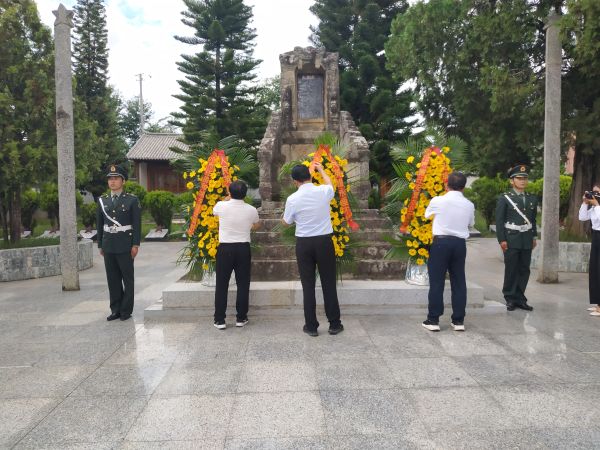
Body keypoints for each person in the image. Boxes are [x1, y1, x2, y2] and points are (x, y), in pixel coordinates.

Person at [282, 163, 344, 337]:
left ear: (295, 181)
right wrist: (321, 170)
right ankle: (334, 324)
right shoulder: (323, 191)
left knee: (308, 285)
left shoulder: (293, 199)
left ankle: (311, 326)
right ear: (310, 176)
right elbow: (330, 184)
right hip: (324, 242)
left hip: (304, 244)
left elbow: (286, 222)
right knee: (329, 283)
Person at [421, 171, 475, 332]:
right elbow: (471, 223)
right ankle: (458, 320)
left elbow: (426, 214)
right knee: (459, 281)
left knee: (437, 281)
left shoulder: (438, 200)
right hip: (459, 244)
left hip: (441, 243)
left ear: (446, 185)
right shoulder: (469, 204)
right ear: (464, 187)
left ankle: (433, 319)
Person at [212, 180, 260, 330]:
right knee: (243, 284)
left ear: (230, 192)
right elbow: (256, 224)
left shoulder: (220, 206)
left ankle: (220, 319)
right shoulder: (252, 210)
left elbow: (214, 213)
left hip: (225, 248)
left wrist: (227, 198)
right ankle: (241, 317)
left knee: (221, 284)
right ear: (246, 194)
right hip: (243, 248)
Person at [96, 164, 142, 321]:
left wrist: (135, 244)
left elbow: (137, 224)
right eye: (110, 179)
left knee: (127, 279)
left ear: (123, 181)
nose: (112, 182)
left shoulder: (131, 200)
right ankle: (115, 309)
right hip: (109, 245)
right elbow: (100, 223)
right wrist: (100, 244)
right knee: (112, 279)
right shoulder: (103, 201)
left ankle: (126, 310)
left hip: (125, 245)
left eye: (116, 178)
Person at [495, 164, 538, 312]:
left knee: (524, 269)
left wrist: (534, 236)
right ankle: (510, 297)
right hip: (511, 238)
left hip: (526, 239)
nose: (523, 181)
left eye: (525, 178)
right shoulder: (505, 198)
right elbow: (499, 221)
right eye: (519, 178)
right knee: (512, 269)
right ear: (511, 181)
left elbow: (532, 220)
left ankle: (520, 298)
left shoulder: (531, 198)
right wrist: (502, 239)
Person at [578, 184, 600, 317]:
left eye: (597, 192)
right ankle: (598, 304)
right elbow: (582, 217)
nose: (594, 194)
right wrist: (585, 203)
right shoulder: (594, 208)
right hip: (596, 238)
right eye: (594, 192)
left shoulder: (597, 207)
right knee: (595, 270)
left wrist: (597, 205)